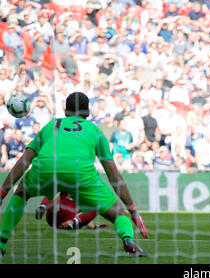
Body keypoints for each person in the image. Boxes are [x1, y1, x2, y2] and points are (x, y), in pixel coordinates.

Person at [0, 92, 149, 256]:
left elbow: (24, 161)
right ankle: (128, 242)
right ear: (87, 112)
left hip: (46, 169)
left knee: (21, 192)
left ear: (66, 112)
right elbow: (113, 175)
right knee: (119, 214)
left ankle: (1, 243)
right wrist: (133, 210)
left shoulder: (52, 125)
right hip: (81, 174)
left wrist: (3, 192)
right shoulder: (94, 130)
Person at [35, 192, 109, 230]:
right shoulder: (86, 193)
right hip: (68, 218)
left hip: (55, 219)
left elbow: (86, 219)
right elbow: (85, 217)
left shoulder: (67, 181)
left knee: (54, 193)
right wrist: (93, 227)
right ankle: (73, 222)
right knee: (96, 206)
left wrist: (93, 227)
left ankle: (44, 206)